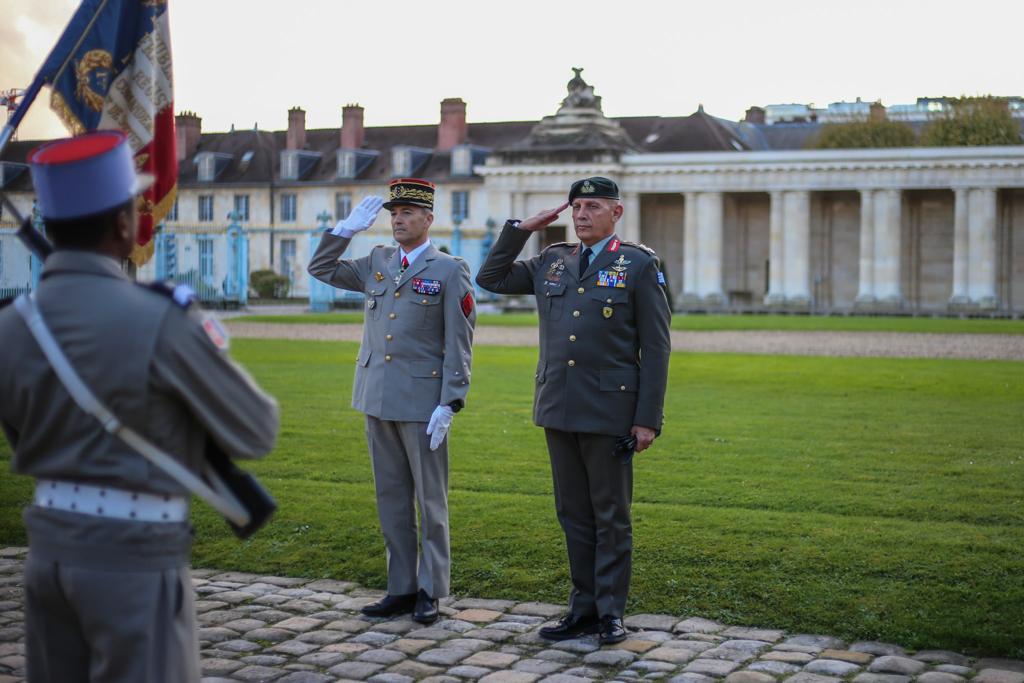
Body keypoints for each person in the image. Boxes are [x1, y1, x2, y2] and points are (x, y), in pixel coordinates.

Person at [0, 130, 280, 682]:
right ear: (124, 222)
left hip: (49, 550)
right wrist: (198, 330)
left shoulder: (10, 327)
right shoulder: (158, 318)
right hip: (133, 554)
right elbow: (256, 431)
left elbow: (19, 429)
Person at [476, 176, 671, 645]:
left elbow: (657, 347)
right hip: (559, 405)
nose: (581, 214)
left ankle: (610, 613)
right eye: (576, 206)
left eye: (592, 206)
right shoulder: (552, 260)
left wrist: (647, 418)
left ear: (616, 213)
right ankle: (581, 609)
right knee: (573, 514)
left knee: (610, 514)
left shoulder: (637, 264)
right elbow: (491, 279)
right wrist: (522, 229)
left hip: (610, 411)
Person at [308, 177, 475, 624]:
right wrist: (344, 231)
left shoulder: (449, 269)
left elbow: (460, 341)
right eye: (393, 214)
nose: (398, 220)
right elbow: (321, 270)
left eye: (407, 213)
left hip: (423, 403)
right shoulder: (377, 260)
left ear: (428, 219)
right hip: (376, 396)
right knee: (392, 499)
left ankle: (431, 590)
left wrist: (450, 402)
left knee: (430, 502)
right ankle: (400, 587)